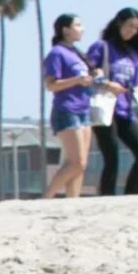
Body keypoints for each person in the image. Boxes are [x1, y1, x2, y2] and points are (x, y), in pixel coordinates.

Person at [84, 9, 138, 196]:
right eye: (129, 26)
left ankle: (133, 194)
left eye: (136, 28)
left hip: (125, 110)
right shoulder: (101, 47)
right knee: (112, 156)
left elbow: (135, 85)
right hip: (104, 108)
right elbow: (88, 72)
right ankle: (107, 196)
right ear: (119, 23)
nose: (132, 31)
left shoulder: (132, 54)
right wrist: (107, 83)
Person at [40, 16, 98, 199]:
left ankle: (73, 200)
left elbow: (86, 78)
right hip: (66, 109)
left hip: (83, 109)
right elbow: (51, 85)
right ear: (65, 30)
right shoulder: (57, 53)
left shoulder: (78, 53)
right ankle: (46, 197)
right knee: (76, 162)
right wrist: (76, 80)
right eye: (78, 25)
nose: (82, 29)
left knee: (81, 164)